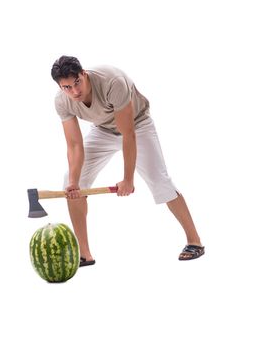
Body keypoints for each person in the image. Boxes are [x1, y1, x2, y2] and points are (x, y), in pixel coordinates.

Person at [50, 55, 204, 265]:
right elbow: (75, 145)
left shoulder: (112, 82)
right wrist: (74, 183)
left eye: (77, 82)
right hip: (103, 129)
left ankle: (195, 241)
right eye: (67, 87)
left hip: (137, 124)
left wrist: (128, 179)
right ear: (60, 88)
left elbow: (128, 133)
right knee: (71, 181)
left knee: (159, 180)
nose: (75, 91)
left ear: (84, 74)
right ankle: (85, 255)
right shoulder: (62, 102)